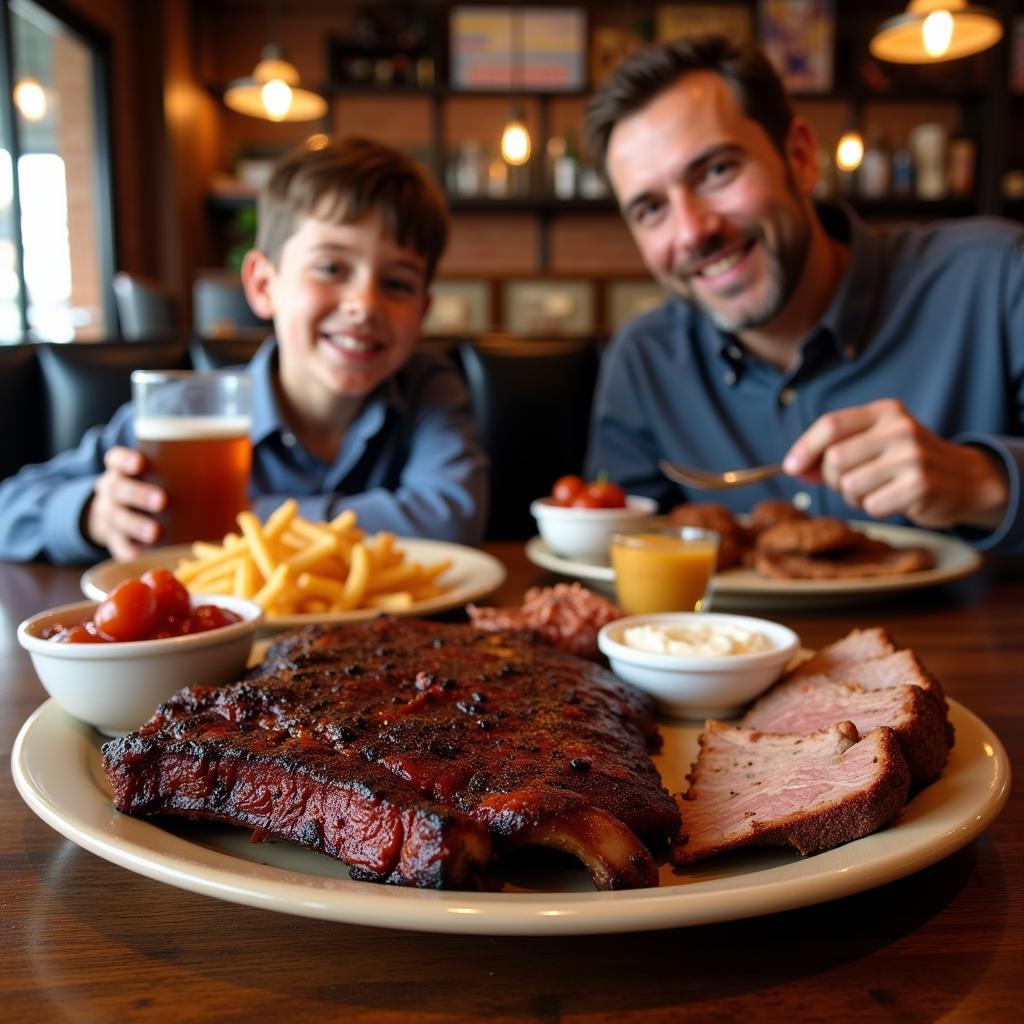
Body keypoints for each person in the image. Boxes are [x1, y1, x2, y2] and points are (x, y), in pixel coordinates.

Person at [583, 35, 1024, 553]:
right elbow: (619, 557)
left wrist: (984, 484)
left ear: (801, 157)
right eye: (650, 209)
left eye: (717, 170)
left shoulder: (995, 278)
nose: (691, 231)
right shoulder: (645, 359)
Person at [0, 136, 488, 564]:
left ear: (422, 312)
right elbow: (10, 506)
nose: (363, 304)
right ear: (262, 284)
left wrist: (240, 520)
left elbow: (451, 518)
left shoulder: (430, 390)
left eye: (397, 282)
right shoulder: (183, 412)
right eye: (331, 269)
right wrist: (92, 514)